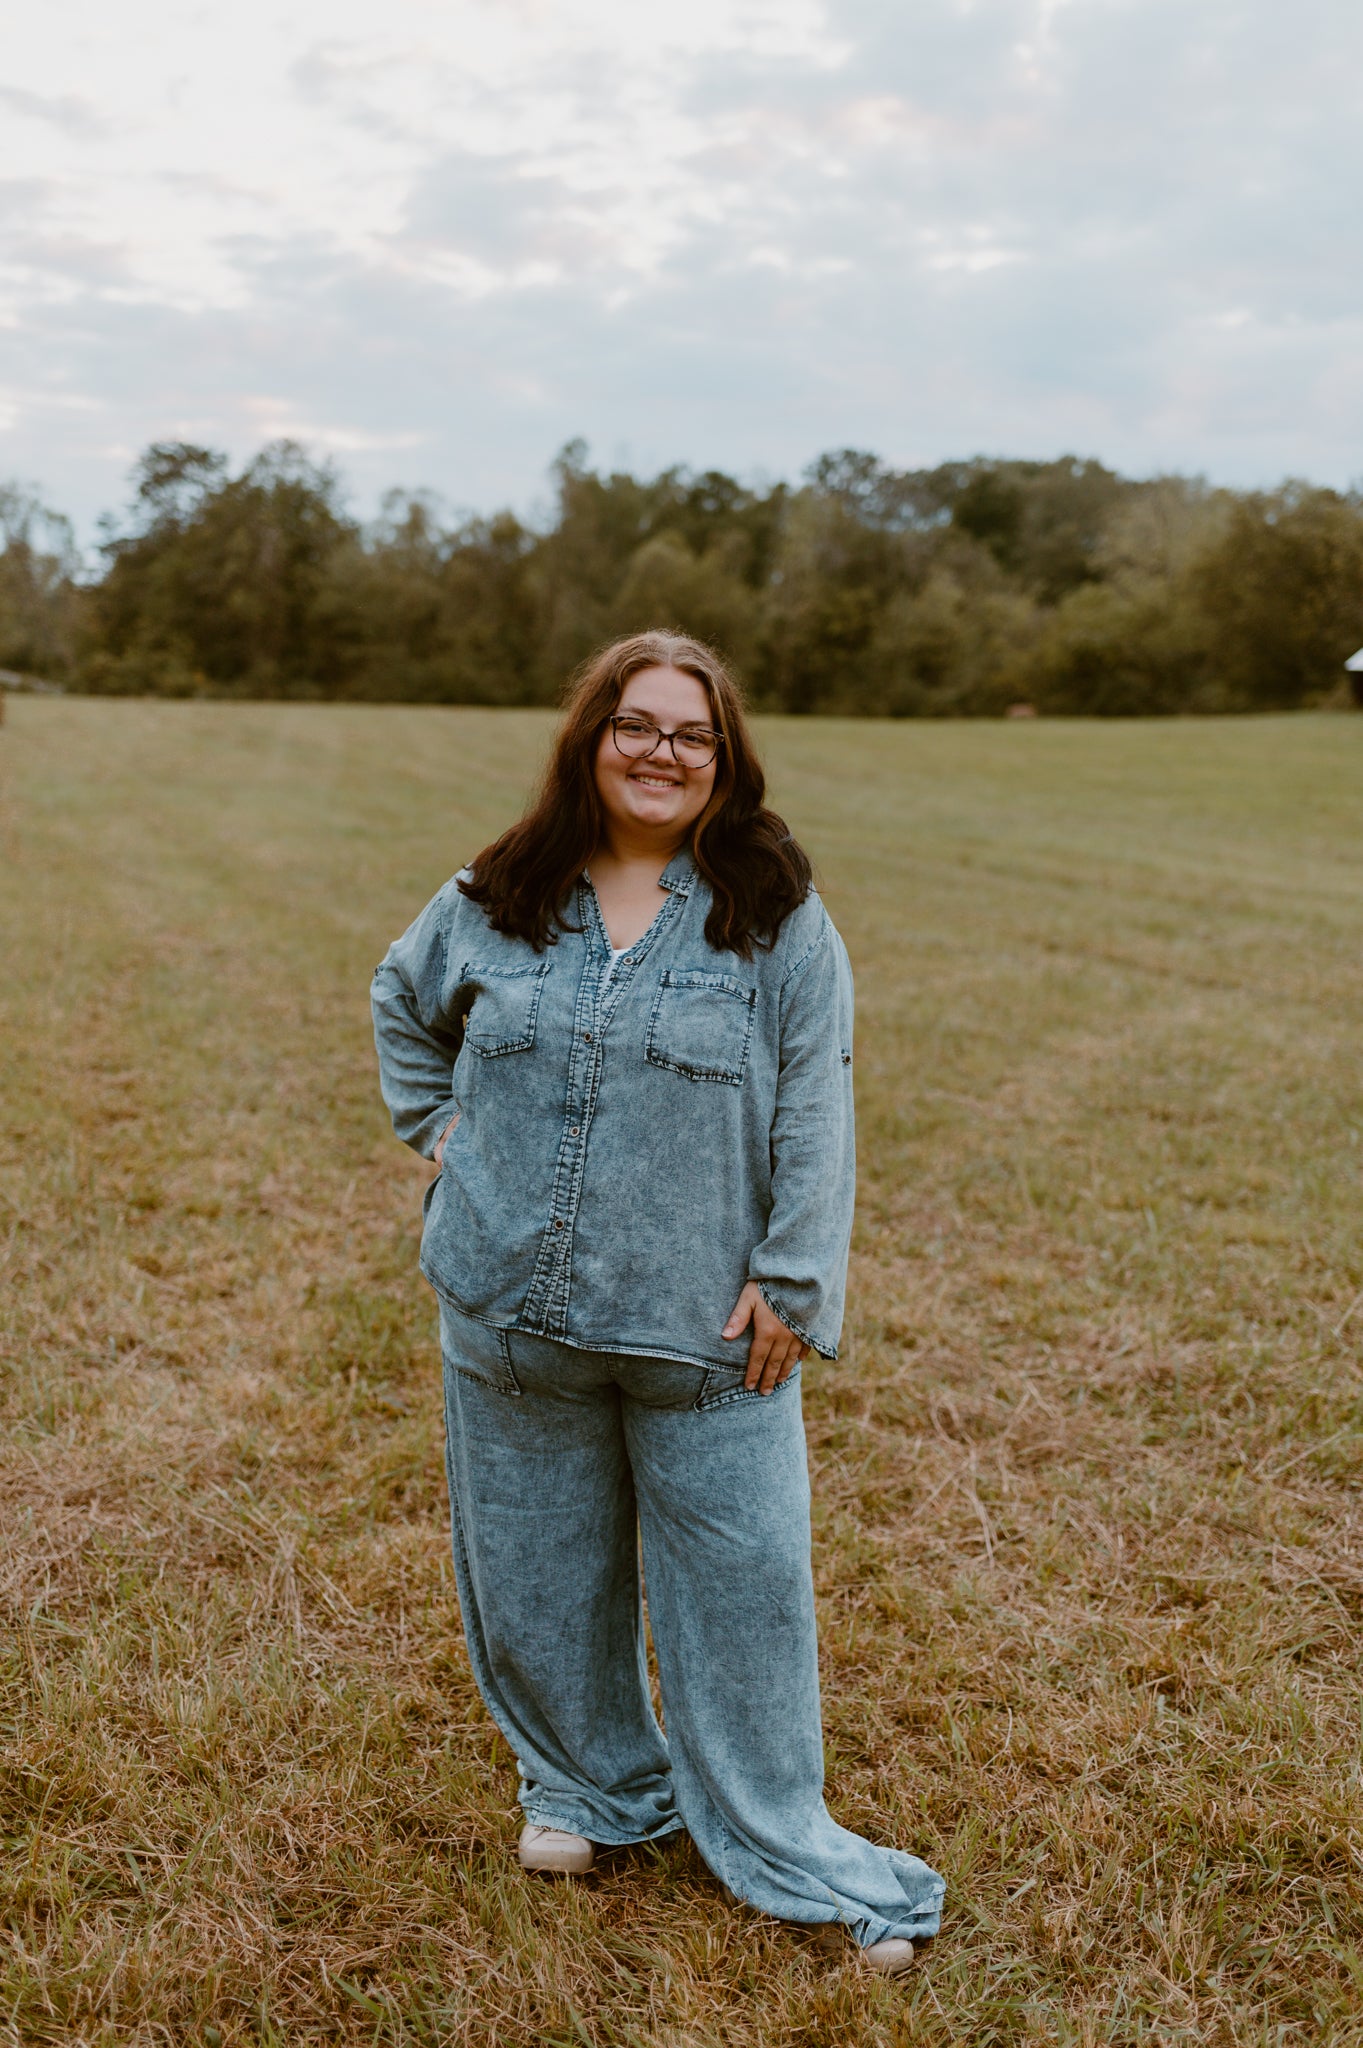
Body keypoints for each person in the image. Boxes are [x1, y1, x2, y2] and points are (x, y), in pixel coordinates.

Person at [371, 631, 945, 1974]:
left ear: (724, 758)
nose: (661, 753)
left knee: (744, 1592)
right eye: (638, 725)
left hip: (706, 1335)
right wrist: (443, 1132)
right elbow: (403, 1001)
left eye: (691, 735)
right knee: (534, 1577)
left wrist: (796, 1276)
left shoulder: (773, 910)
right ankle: (588, 1789)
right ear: (594, 735)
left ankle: (781, 1835)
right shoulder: (502, 888)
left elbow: (816, 1100)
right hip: (511, 1318)